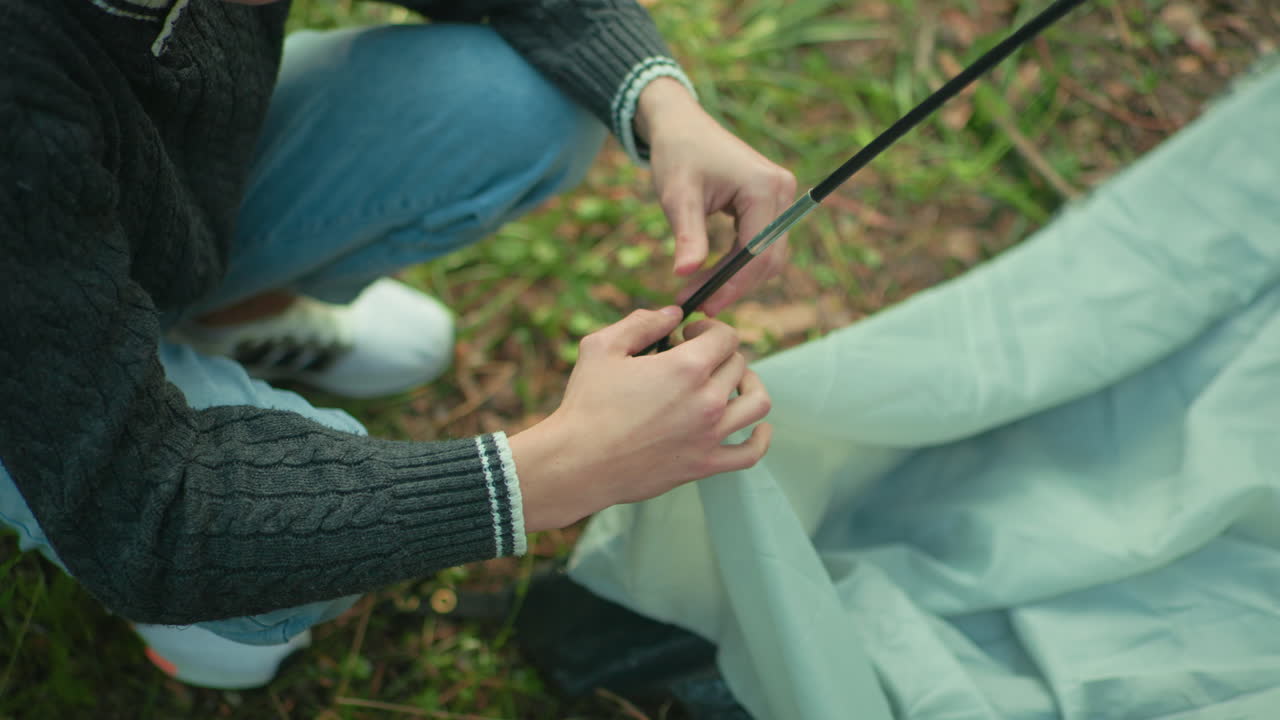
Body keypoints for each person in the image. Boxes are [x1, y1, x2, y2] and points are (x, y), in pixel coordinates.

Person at [0, 0, 793, 689]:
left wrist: (663, 103)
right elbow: (144, 508)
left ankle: (223, 319)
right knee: (287, 568)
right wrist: (548, 474)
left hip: (124, 203)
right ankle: (201, 594)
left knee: (516, 103)